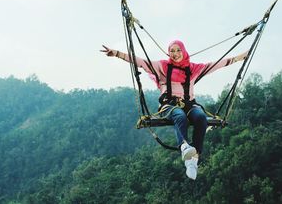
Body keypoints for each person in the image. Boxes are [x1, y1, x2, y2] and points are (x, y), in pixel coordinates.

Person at [101, 40, 248, 180]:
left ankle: (194, 158)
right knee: (179, 115)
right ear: (168, 53)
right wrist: (117, 53)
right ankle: (184, 146)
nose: (175, 53)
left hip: (190, 104)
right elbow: (140, 62)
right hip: (169, 106)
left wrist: (240, 57)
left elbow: (216, 64)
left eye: (178, 50)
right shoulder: (162, 66)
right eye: (172, 51)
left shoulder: (193, 68)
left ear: (184, 51)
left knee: (201, 118)